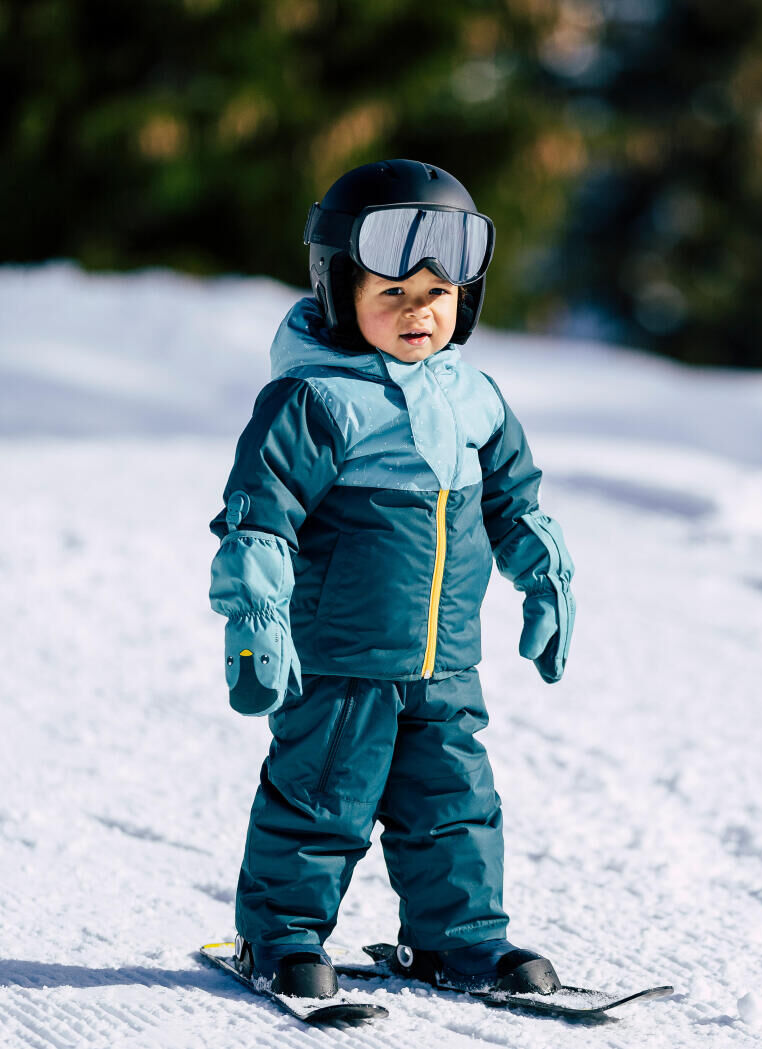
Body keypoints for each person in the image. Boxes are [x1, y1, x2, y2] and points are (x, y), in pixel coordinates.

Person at [208, 159, 575, 1000]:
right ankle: (282, 934)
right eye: (393, 294)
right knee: (319, 802)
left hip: (445, 659)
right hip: (341, 656)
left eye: (439, 294)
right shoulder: (316, 400)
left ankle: (461, 939)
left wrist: (545, 579)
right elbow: (258, 516)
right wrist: (257, 619)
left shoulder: (476, 398)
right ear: (341, 291)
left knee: (455, 805)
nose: (420, 313)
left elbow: (516, 502)